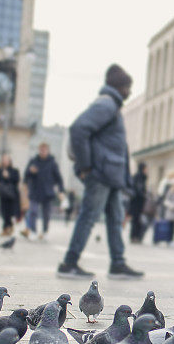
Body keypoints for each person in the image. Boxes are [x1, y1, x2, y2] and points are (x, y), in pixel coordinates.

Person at [58, 64, 143, 279]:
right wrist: (86, 166)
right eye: (127, 87)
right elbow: (79, 129)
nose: (129, 92)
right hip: (101, 174)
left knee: (115, 218)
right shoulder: (106, 105)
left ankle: (118, 263)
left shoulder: (111, 106)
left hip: (111, 176)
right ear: (119, 86)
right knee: (89, 216)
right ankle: (69, 262)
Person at [22, 142, 64, 240]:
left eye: (45, 150)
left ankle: (45, 231)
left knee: (46, 214)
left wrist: (61, 190)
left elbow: (59, 178)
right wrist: (30, 172)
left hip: (47, 192)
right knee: (33, 211)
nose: (43, 151)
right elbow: (26, 175)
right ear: (39, 150)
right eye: (41, 149)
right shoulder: (33, 161)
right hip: (35, 191)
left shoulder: (52, 163)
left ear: (48, 151)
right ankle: (33, 231)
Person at [0, 154, 21, 236]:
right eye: (3, 159)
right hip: (2, 195)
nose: (5, 161)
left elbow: (16, 180)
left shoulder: (14, 171)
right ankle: (7, 228)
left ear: (9, 161)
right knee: (4, 212)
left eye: (6, 159)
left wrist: (8, 176)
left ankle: (7, 228)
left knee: (10, 212)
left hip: (12, 195)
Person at [128, 163, 148, 243]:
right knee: (136, 220)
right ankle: (135, 237)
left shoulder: (137, 176)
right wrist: (144, 195)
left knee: (136, 220)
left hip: (135, 202)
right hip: (137, 202)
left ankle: (135, 237)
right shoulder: (140, 177)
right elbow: (139, 189)